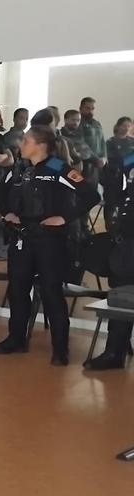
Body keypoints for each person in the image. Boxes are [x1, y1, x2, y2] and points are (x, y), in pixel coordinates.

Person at [0, 126, 99, 366]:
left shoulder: (58, 168)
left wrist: (64, 217)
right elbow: (1, 190)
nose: (21, 144)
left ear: (40, 145)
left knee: (51, 293)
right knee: (17, 291)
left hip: (49, 240)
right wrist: (7, 213)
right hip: (21, 238)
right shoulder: (19, 168)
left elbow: (91, 195)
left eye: (26, 140)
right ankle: (16, 339)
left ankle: (60, 349)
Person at [87, 145, 134, 371]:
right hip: (126, 244)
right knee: (120, 297)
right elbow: (114, 174)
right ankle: (114, 352)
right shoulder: (129, 159)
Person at [61, 109, 102, 185]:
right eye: (73, 120)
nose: (76, 123)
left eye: (78, 120)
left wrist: (97, 159)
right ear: (66, 120)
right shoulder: (61, 136)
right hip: (71, 171)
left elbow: (87, 150)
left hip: (86, 170)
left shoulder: (79, 135)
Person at [80, 97, 106, 167]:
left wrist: (104, 157)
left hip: (100, 163)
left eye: (92, 109)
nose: (90, 111)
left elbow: (102, 142)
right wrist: (96, 159)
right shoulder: (78, 124)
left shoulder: (96, 123)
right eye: (88, 108)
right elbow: (81, 143)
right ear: (81, 108)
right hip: (86, 162)